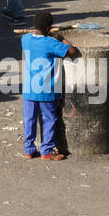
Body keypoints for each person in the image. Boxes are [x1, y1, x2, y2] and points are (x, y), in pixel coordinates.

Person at [20, 10, 80, 160]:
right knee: (49, 118)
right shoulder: (52, 43)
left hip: (29, 89)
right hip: (47, 89)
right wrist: (61, 38)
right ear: (49, 27)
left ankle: (29, 149)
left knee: (29, 119)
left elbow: (33, 36)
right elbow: (72, 52)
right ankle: (46, 151)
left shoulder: (25, 39)